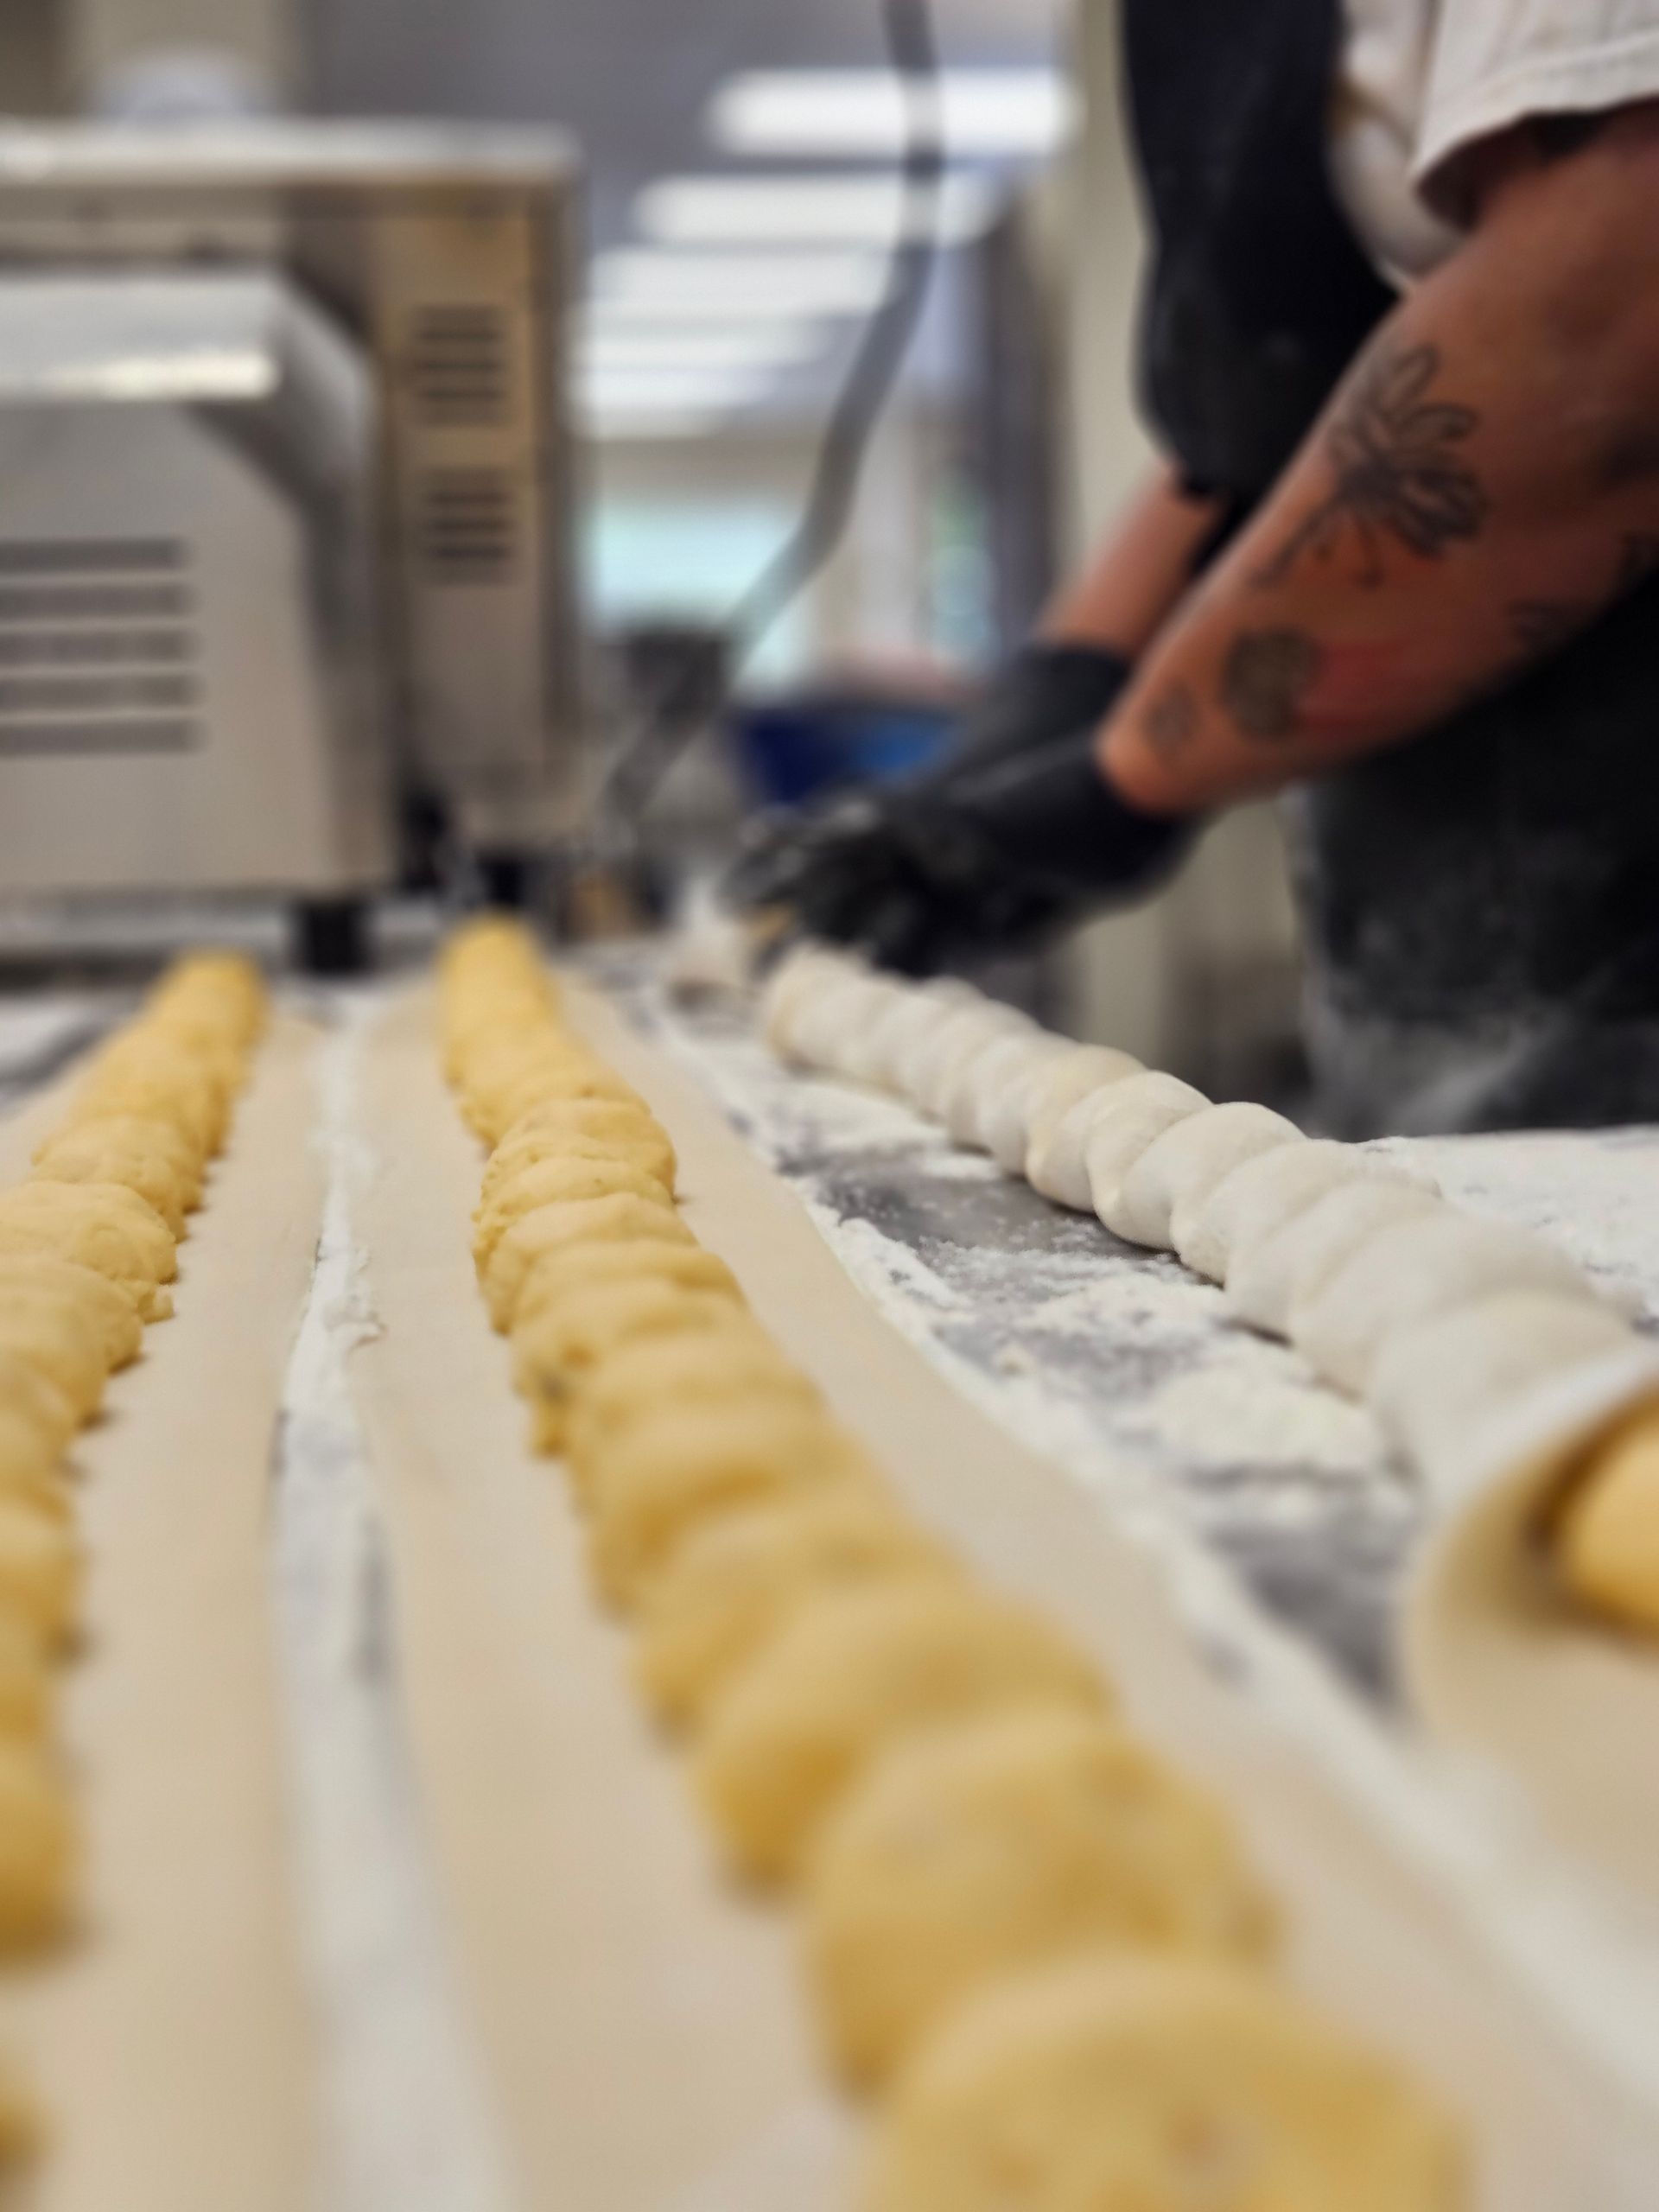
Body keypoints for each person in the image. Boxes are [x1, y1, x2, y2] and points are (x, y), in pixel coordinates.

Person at [728, 0, 1659, 1135]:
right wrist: (1063, 687)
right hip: (1442, 908)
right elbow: (1276, 422)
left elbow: (1611, 324)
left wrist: (1115, 780)